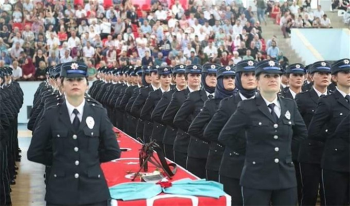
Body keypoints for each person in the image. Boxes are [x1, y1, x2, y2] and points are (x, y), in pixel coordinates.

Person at [27, 61, 121, 206]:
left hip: (94, 192)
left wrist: (90, 161)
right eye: (70, 80)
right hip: (60, 191)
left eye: (79, 80)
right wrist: (60, 161)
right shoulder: (51, 114)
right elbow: (34, 152)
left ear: (86, 84)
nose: (74, 83)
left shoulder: (98, 113)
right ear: (61, 84)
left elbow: (113, 150)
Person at [219, 60, 307, 206]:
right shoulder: (247, 107)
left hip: (285, 176)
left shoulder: (289, 105)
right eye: (267, 76)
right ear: (258, 81)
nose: (273, 79)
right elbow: (225, 135)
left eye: (276, 76)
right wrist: (252, 151)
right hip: (256, 177)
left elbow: (302, 133)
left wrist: (283, 150)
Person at [204, 60, 257, 206]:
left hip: (260, 166)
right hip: (234, 165)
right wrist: (237, 146)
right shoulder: (228, 103)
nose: (251, 78)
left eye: (254, 74)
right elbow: (210, 132)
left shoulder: (266, 102)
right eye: (246, 74)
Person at [308, 58, 350, 206]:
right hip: (336, 163)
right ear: (334, 77)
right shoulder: (328, 101)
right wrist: (335, 138)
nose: (349, 75)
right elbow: (314, 131)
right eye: (345, 72)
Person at [188, 64, 236, 181]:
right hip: (217, 158)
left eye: (232, 77)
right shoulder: (211, 104)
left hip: (239, 160)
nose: (230, 80)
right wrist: (218, 141)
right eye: (226, 77)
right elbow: (194, 128)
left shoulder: (243, 103)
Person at [296, 61, 332, 206]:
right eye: (321, 73)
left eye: (328, 73)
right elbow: (298, 126)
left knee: (329, 193)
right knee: (309, 192)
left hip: (330, 153)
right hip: (309, 153)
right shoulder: (302, 98)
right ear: (311, 76)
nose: (325, 76)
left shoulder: (335, 98)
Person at [174, 63, 217, 178]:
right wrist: (197, 131)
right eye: (210, 75)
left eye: (215, 75)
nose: (213, 78)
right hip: (198, 150)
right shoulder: (194, 97)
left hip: (217, 151)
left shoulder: (224, 99)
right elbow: (178, 119)